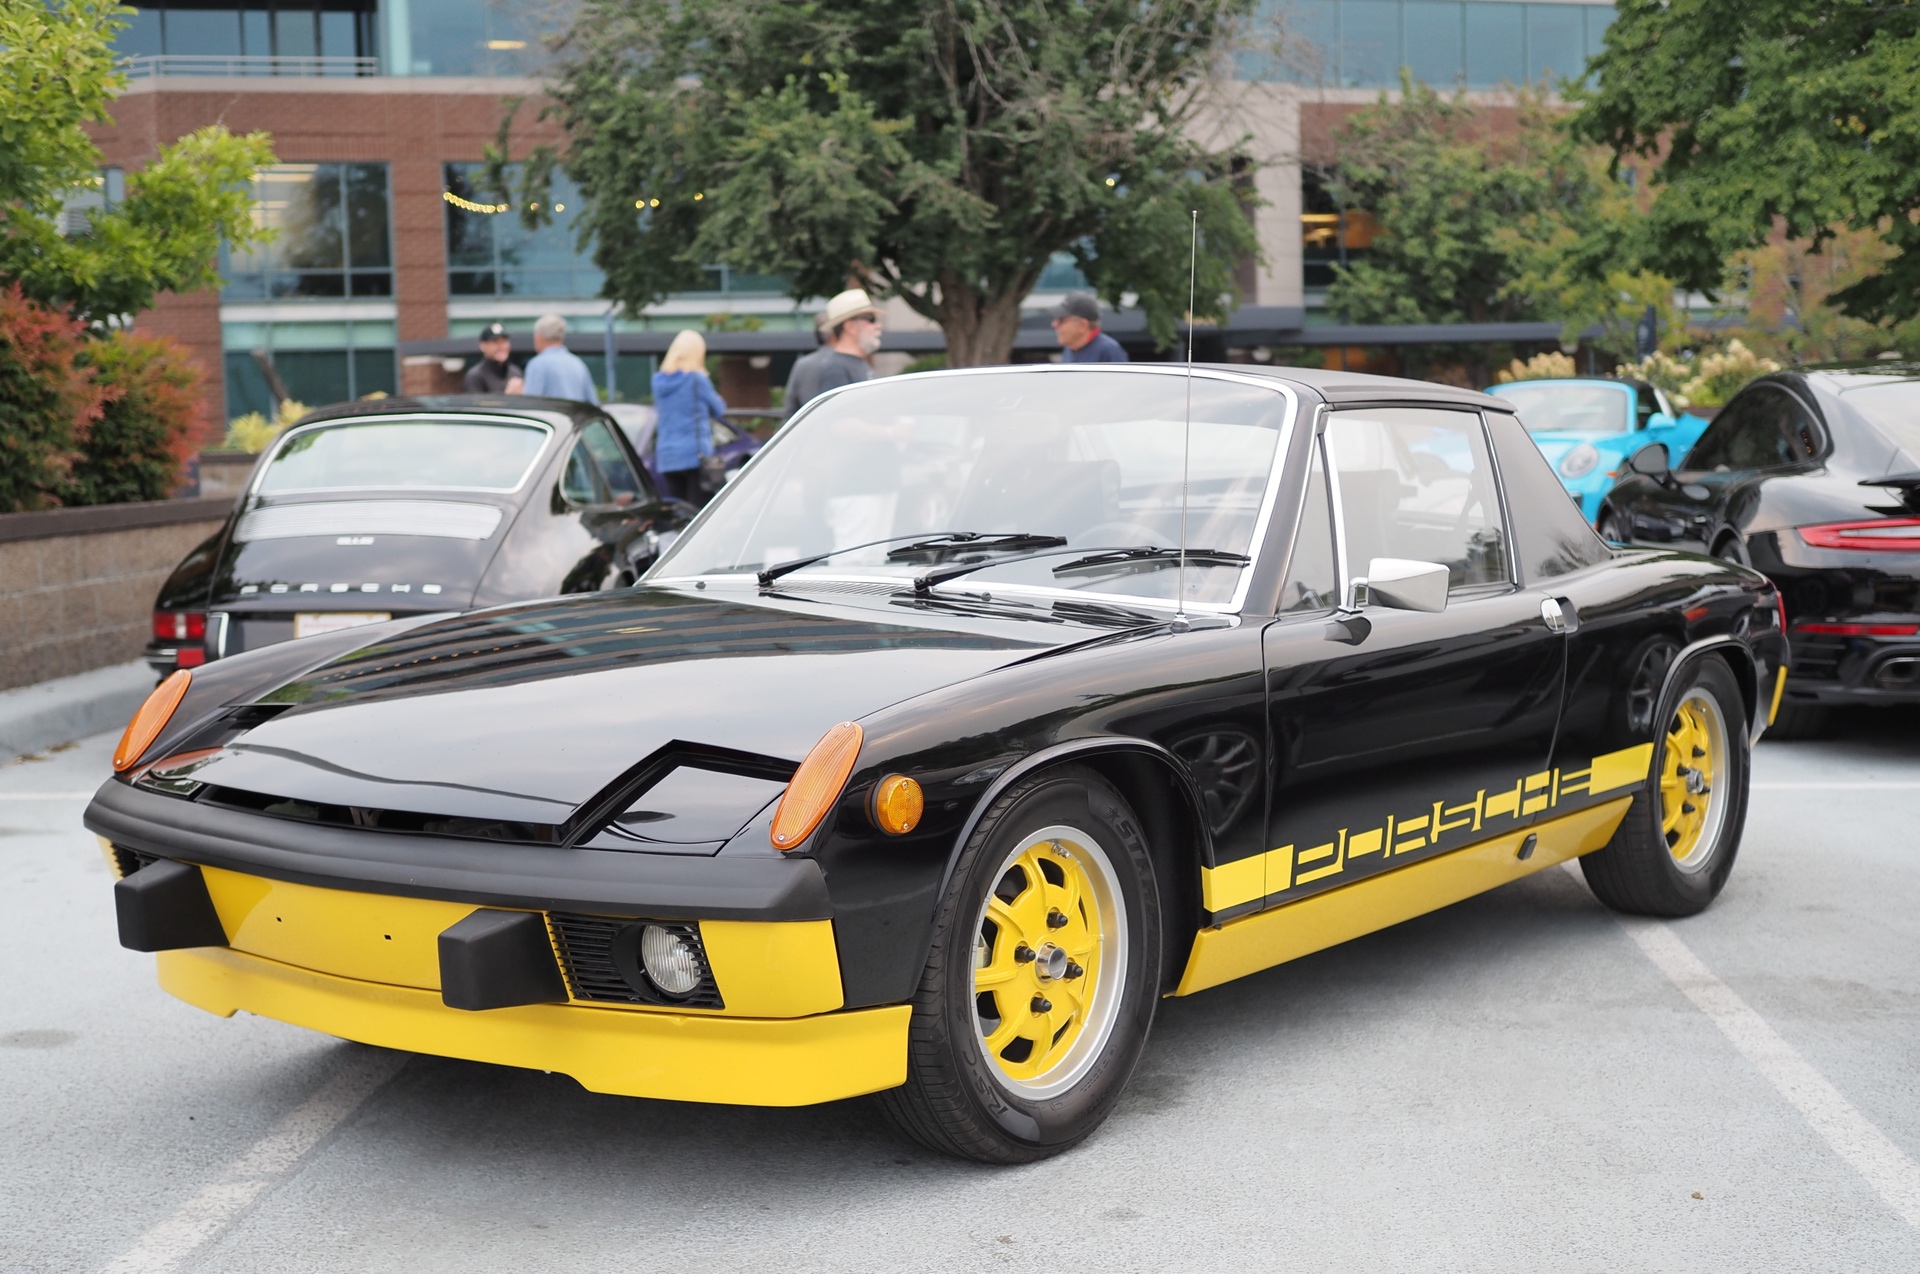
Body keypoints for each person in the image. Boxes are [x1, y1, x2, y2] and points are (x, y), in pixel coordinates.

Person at [651, 329, 727, 505]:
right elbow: (718, 409)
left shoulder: (658, 382)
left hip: (667, 456)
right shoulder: (696, 379)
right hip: (695, 455)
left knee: (678, 513)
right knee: (698, 514)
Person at [783, 288, 882, 418]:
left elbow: (790, 410)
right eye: (871, 319)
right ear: (850, 327)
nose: (878, 326)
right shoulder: (837, 367)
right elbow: (838, 423)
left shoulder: (856, 362)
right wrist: (890, 431)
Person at [519, 314, 599, 402]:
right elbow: (593, 403)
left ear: (539, 336)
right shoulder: (578, 364)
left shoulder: (537, 364)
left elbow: (531, 403)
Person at [1050, 292, 1128, 363]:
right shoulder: (1070, 349)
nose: (1054, 324)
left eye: (1061, 320)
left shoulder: (1109, 351)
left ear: (1082, 325)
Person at [462, 323, 524, 394]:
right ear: (483, 346)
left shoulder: (515, 372)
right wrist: (508, 396)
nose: (501, 347)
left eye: (504, 342)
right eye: (496, 342)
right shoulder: (475, 376)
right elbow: (476, 404)